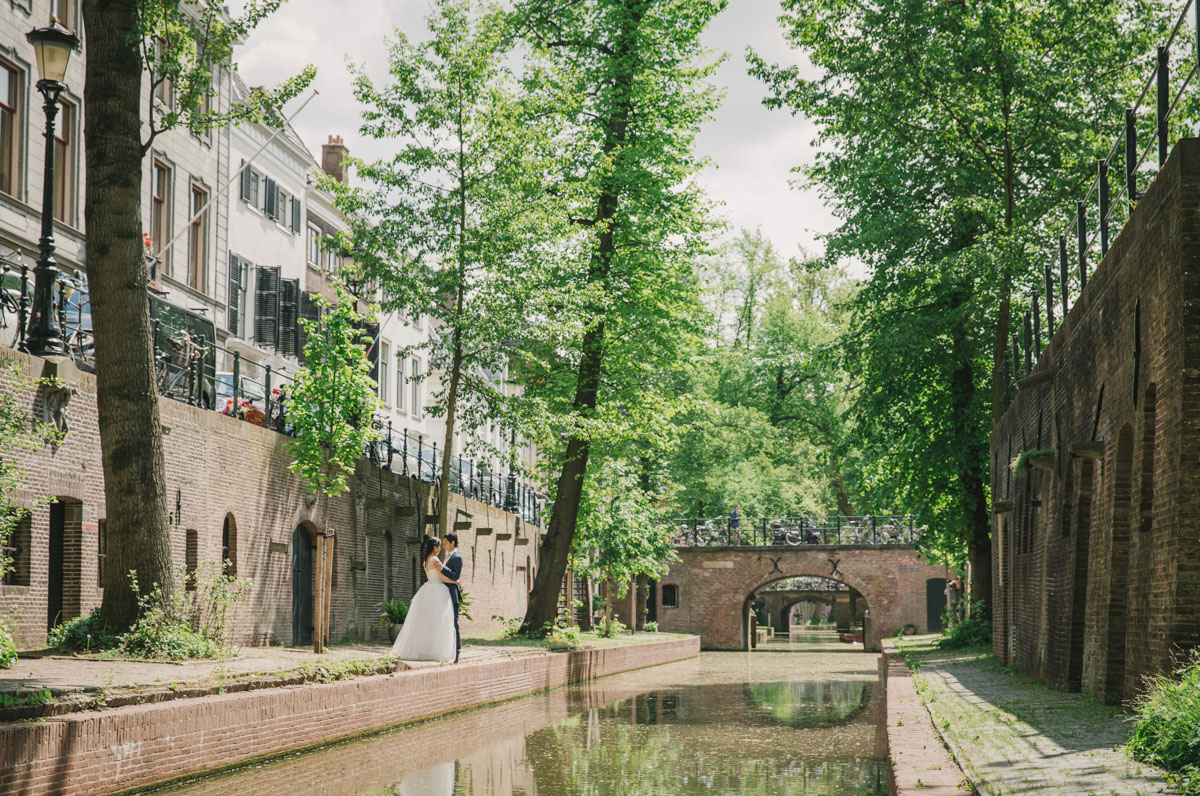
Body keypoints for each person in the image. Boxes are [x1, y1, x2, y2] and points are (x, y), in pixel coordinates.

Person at [390, 537, 458, 662]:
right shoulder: (435, 559)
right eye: (438, 546)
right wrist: (455, 581)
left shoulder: (425, 561)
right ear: (434, 547)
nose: (440, 548)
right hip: (437, 591)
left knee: (426, 621)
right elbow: (442, 577)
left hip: (427, 589)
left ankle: (425, 649)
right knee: (438, 622)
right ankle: (437, 651)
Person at [440, 533, 464, 663]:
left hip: (452, 594)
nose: (444, 546)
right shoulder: (446, 557)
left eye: (446, 543)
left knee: (454, 623)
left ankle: (457, 652)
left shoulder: (457, 558)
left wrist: (442, 568)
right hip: (443, 594)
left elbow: (455, 576)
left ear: (453, 543)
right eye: (443, 543)